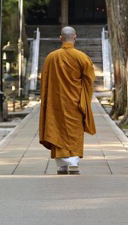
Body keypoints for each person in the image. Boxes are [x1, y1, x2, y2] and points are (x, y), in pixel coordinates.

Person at [39, 26, 96, 175]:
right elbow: (89, 81)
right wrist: (85, 100)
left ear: (60, 38)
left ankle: (62, 165)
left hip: (56, 103)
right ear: (75, 37)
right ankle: (74, 161)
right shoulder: (82, 57)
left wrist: (46, 101)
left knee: (57, 129)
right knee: (73, 130)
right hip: (75, 102)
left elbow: (44, 82)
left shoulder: (51, 57)